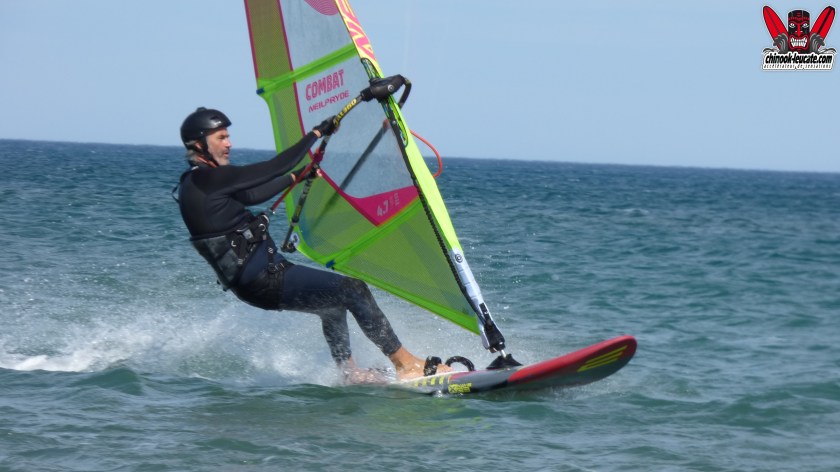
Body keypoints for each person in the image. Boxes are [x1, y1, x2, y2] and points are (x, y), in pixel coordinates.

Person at [174, 107, 449, 382]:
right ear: (199, 145)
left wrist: (297, 177)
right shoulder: (208, 178)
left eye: (227, 137)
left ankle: (349, 372)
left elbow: (251, 195)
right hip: (264, 279)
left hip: (255, 281)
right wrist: (317, 132)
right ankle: (406, 364)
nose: (229, 144)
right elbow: (275, 167)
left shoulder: (194, 183)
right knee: (353, 289)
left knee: (331, 304)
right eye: (221, 137)